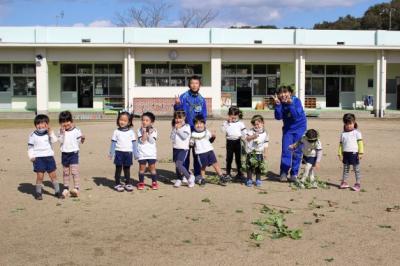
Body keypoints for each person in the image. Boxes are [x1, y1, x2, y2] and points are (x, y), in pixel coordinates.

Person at [174, 75, 207, 180]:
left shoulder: (201, 99)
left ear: (199, 85)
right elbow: (178, 113)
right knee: (185, 152)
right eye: (192, 83)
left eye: (196, 83)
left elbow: (204, 115)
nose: (194, 85)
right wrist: (177, 105)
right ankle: (184, 173)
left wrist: (202, 127)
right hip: (185, 129)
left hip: (196, 129)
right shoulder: (183, 96)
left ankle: (197, 174)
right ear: (189, 84)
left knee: (197, 152)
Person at [273, 85, 307, 182]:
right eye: (281, 93)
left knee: (297, 151)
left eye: (285, 92)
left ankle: (294, 174)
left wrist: (291, 104)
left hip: (300, 128)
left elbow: (296, 116)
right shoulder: (280, 102)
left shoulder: (296, 101)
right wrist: (278, 105)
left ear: (290, 93)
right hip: (288, 129)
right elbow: (278, 117)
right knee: (286, 150)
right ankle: (283, 172)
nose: (283, 95)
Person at [28, 114, 63, 200]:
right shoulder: (33, 134)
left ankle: (57, 192)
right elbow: (30, 147)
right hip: (38, 158)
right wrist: (31, 156)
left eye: (43, 123)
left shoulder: (49, 133)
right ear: (35, 125)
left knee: (53, 176)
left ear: (47, 124)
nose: (40, 126)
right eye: (38, 124)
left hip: (49, 158)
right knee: (40, 176)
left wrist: (50, 132)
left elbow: (55, 141)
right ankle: (38, 193)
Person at [190, 116, 229, 186]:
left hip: (210, 151)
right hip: (200, 153)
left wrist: (213, 137)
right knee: (203, 167)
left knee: (215, 164)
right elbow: (191, 143)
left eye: (201, 123)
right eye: (197, 124)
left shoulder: (207, 131)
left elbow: (210, 140)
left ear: (204, 124)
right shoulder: (193, 134)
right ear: (194, 125)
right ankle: (203, 179)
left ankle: (221, 177)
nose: (199, 125)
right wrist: (191, 144)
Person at [58, 111, 85, 197]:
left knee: (74, 171)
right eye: (63, 122)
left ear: (71, 121)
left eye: (67, 121)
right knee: (66, 172)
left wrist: (83, 139)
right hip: (64, 153)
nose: (65, 124)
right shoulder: (60, 131)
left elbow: (79, 142)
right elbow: (60, 141)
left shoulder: (77, 130)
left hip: (74, 153)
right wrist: (62, 133)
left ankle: (76, 188)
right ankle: (65, 188)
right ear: (60, 123)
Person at [109, 111, 137, 192]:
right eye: (121, 120)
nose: (122, 122)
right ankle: (117, 183)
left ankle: (127, 183)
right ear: (118, 120)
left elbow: (134, 143)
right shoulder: (116, 132)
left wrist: (135, 154)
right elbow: (113, 143)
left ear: (129, 122)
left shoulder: (131, 132)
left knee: (127, 169)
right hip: (119, 153)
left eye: (125, 120)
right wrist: (111, 153)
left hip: (128, 153)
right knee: (118, 169)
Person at [338, 113, 364, 192]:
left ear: (354, 122)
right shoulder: (343, 134)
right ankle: (344, 182)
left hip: (354, 153)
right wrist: (339, 153)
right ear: (344, 124)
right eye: (347, 124)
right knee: (346, 169)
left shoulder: (357, 133)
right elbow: (341, 144)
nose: (349, 125)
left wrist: (360, 153)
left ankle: (358, 184)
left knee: (356, 169)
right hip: (346, 154)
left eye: (350, 123)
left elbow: (360, 143)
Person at [170, 110, 195, 188]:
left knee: (179, 163)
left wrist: (178, 129)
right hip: (175, 148)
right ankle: (179, 179)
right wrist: (174, 130)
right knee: (176, 165)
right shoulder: (175, 127)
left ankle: (189, 177)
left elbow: (184, 137)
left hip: (183, 148)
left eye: (180, 118)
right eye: (176, 118)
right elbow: (172, 137)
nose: (178, 120)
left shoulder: (186, 127)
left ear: (184, 118)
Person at [221, 106, 246, 182]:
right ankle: (228, 173)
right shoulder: (226, 123)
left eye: (235, 114)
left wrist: (245, 137)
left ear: (238, 115)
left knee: (238, 159)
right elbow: (222, 130)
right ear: (229, 115)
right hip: (229, 142)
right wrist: (226, 123)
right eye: (231, 114)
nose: (233, 116)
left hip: (238, 142)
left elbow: (244, 132)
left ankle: (239, 173)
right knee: (229, 158)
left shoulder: (240, 123)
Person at [243, 115, 269, 187]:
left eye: (258, 124)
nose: (256, 126)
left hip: (259, 152)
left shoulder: (265, 133)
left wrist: (265, 153)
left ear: (263, 123)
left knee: (258, 167)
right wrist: (253, 136)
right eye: (254, 124)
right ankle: (249, 179)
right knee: (250, 166)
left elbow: (266, 143)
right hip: (250, 152)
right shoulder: (251, 131)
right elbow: (247, 138)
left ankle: (258, 179)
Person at [137, 112, 159, 190]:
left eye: (147, 120)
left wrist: (149, 133)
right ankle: (141, 182)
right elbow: (143, 140)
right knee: (142, 169)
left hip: (151, 154)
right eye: (143, 120)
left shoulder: (154, 131)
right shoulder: (139, 130)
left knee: (152, 169)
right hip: (142, 154)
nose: (144, 122)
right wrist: (144, 132)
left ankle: (154, 182)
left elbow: (152, 141)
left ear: (151, 122)